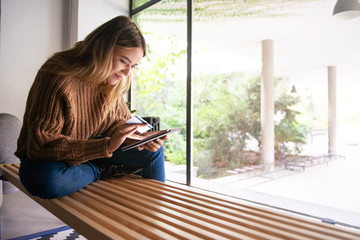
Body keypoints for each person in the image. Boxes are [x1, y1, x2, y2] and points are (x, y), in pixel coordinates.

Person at [15, 16, 167, 199]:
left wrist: (139, 137)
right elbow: (41, 146)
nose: (127, 73)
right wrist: (108, 145)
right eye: (123, 61)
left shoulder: (112, 80)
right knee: (45, 179)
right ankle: (98, 171)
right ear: (102, 49)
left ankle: (154, 214)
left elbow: (118, 122)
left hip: (92, 149)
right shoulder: (58, 73)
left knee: (154, 153)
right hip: (50, 157)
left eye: (133, 66)